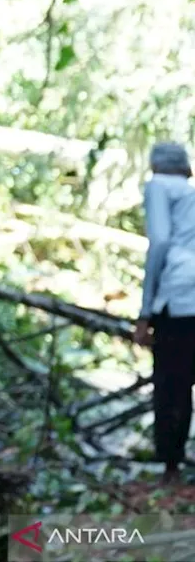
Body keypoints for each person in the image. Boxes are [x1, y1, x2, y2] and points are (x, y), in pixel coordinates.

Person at [134, 141, 195, 484]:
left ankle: (171, 467)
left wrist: (145, 313)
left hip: (180, 295)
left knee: (172, 384)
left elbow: (158, 243)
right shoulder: (190, 194)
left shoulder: (159, 187)